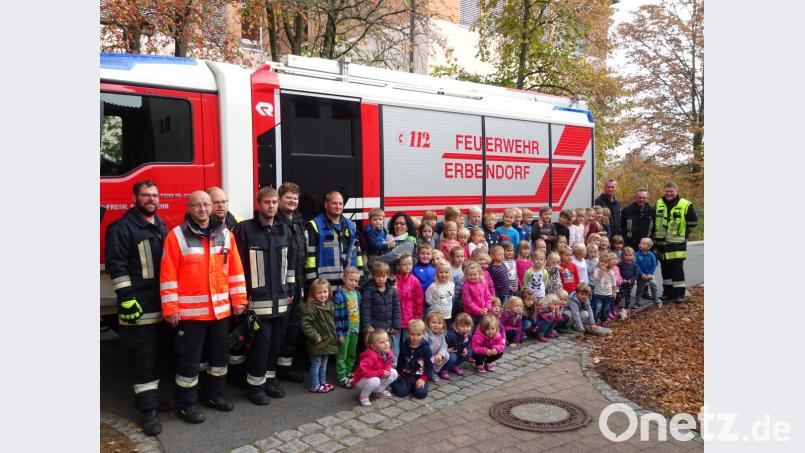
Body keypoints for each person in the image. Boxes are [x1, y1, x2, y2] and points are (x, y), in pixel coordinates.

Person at [160, 190, 248, 424]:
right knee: (189, 361)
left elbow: (236, 270)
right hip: (190, 315)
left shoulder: (225, 234)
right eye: (197, 205)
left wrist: (239, 300)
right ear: (189, 208)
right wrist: (171, 309)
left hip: (220, 311)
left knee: (220, 358)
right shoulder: (176, 236)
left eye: (206, 205)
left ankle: (214, 396)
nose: (203, 209)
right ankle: (186, 405)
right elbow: (168, 275)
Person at [105, 180, 169, 436]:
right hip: (138, 308)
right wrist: (127, 298)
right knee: (143, 360)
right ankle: (148, 412)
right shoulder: (122, 227)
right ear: (135, 197)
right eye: (146, 195)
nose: (151, 199)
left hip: (160, 307)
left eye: (155, 195)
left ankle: (149, 400)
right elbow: (117, 266)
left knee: (156, 358)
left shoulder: (161, 225)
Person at [235, 186, 298, 404]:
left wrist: (290, 290)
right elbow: (238, 267)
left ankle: (270, 381)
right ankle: (256, 387)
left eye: (273, 202)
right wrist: (241, 297)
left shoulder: (285, 230)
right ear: (258, 204)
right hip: (257, 302)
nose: (271, 206)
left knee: (275, 344)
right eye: (267, 203)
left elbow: (290, 265)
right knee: (261, 344)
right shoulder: (245, 229)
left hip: (281, 300)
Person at [275, 182, 307, 384]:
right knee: (280, 328)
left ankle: (286, 367)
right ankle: (273, 370)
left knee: (293, 327)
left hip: (298, 284)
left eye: (295, 197)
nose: (292, 200)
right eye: (288, 197)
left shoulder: (299, 221)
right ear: (279, 200)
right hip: (282, 285)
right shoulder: (275, 222)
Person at [304, 191, 363, 289]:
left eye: (340, 203)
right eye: (334, 203)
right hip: (325, 288)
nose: (338, 206)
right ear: (326, 205)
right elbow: (310, 257)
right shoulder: (314, 225)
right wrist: (312, 282)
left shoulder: (352, 226)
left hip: (348, 287)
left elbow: (358, 254)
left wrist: (360, 277)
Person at [652, 181, 698, 304]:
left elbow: (693, 222)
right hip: (661, 243)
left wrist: (684, 233)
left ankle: (679, 294)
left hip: (677, 243)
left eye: (671, 191)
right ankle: (668, 293)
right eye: (667, 191)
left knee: (677, 270)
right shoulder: (658, 203)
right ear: (664, 191)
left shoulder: (686, 204)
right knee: (665, 270)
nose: (669, 193)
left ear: (676, 192)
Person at [300, 278, 337, 393]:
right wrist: (315, 336)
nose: (322, 295)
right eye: (319, 292)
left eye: (325, 292)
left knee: (324, 363)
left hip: (328, 341)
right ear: (313, 293)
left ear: (329, 292)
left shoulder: (330, 304)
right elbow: (305, 324)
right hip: (317, 341)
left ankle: (322, 382)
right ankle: (315, 385)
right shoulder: (312, 307)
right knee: (316, 363)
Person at [361, 261, 402, 360]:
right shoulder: (369, 290)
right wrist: (367, 326)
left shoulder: (392, 290)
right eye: (377, 276)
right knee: (373, 351)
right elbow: (365, 310)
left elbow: (396, 308)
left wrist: (396, 325)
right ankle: (373, 370)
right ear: (373, 276)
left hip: (388, 327)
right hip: (374, 328)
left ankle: (387, 369)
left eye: (383, 276)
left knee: (387, 349)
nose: (380, 279)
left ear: (387, 275)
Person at [351, 329, 398, 406]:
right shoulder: (370, 356)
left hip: (376, 375)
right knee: (375, 381)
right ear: (373, 346)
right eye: (382, 342)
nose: (386, 344)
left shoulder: (387, 352)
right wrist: (381, 372)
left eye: (387, 340)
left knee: (393, 373)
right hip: (361, 379)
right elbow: (365, 373)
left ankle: (378, 391)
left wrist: (387, 371)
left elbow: (388, 364)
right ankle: (363, 396)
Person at [334, 267, 362, 387]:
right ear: (344, 279)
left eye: (356, 281)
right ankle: (341, 376)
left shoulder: (357, 294)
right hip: (344, 330)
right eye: (351, 280)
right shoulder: (339, 295)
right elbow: (337, 316)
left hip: (355, 329)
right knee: (342, 354)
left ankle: (348, 372)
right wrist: (339, 333)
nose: (354, 283)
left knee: (352, 353)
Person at [391, 319, 433, 399]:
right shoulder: (405, 345)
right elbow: (401, 360)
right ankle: (407, 387)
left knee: (421, 394)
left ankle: (412, 387)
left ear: (423, 334)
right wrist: (398, 373)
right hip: (406, 375)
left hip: (419, 376)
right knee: (400, 392)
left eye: (418, 334)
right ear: (408, 333)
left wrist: (423, 379)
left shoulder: (426, 348)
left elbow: (429, 366)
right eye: (412, 334)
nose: (415, 337)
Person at [395, 254, 424, 360]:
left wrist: (416, 317)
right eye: (404, 264)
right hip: (396, 318)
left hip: (409, 318)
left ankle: (407, 363)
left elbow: (419, 301)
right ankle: (394, 365)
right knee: (394, 344)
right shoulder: (394, 280)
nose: (407, 266)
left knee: (408, 343)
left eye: (409, 264)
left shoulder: (415, 281)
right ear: (398, 266)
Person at [461, 260, 492, 327]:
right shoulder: (466, 286)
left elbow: (488, 296)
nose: (472, 277)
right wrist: (479, 310)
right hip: (472, 314)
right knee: (473, 329)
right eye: (470, 275)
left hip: (484, 312)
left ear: (479, 274)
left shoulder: (483, 283)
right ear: (466, 275)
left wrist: (487, 307)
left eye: (475, 275)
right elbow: (468, 302)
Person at [590, 253, 617, 327]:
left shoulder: (611, 272)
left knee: (606, 309)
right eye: (601, 261)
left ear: (608, 263)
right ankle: (594, 321)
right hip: (598, 294)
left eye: (605, 262)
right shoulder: (596, 270)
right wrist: (601, 272)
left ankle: (603, 320)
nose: (603, 263)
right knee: (598, 307)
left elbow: (614, 283)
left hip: (607, 294)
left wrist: (614, 292)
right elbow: (596, 280)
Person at [635, 238, 662, 308]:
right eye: (640, 243)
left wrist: (650, 273)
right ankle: (637, 302)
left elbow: (654, 264)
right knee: (640, 289)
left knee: (653, 285)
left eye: (643, 244)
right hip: (641, 276)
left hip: (650, 275)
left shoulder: (651, 255)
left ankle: (656, 299)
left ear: (649, 247)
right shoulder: (637, 255)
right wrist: (642, 274)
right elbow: (636, 265)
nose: (640, 244)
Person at [424, 312, 450, 380]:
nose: (436, 325)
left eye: (439, 323)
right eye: (433, 322)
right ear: (428, 323)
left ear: (443, 324)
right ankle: (427, 372)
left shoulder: (441, 333)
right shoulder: (426, 333)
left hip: (435, 356)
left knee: (446, 355)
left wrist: (440, 355)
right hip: (426, 357)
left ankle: (433, 371)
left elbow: (444, 346)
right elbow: (424, 347)